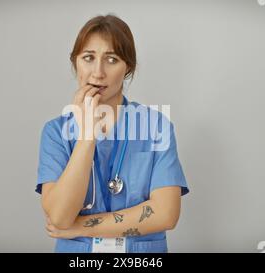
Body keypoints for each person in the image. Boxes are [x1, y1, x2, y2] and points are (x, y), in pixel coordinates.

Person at [36, 14, 189, 253]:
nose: (97, 72)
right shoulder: (56, 132)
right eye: (88, 58)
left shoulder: (156, 126)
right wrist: (87, 136)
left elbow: (166, 215)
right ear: (75, 62)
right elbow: (59, 217)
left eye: (111, 59)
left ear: (128, 67)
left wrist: (81, 227)